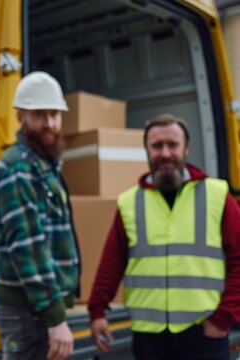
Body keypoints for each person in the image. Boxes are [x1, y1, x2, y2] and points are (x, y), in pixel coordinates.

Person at [88, 114, 240, 360]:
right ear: (147, 151)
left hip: (203, 334)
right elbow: (111, 263)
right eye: (157, 146)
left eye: (173, 145)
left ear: (186, 148)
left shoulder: (217, 194)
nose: (166, 153)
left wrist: (223, 319)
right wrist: (97, 311)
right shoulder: (129, 202)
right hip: (150, 340)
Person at [0, 71, 81, 360]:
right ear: (21, 117)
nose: (50, 123)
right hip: (28, 311)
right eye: (40, 115)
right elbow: (28, 247)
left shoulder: (42, 163)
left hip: (36, 308)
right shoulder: (19, 168)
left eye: (55, 114)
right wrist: (55, 317)